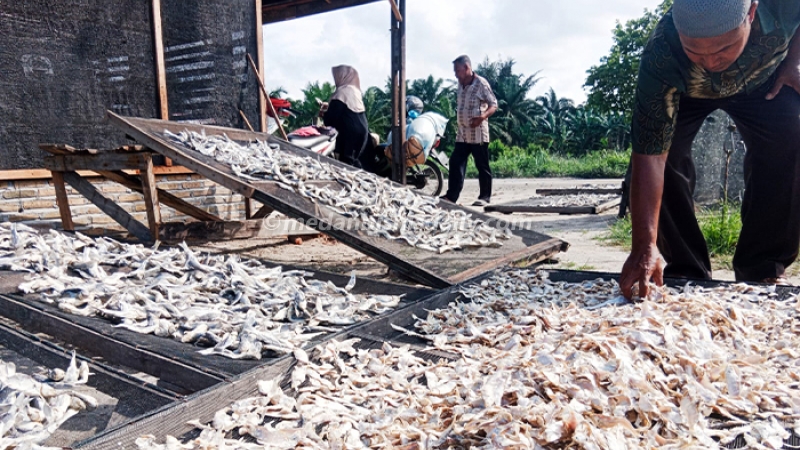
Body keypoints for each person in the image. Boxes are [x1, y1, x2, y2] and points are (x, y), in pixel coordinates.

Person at [620, 0, 800, 299]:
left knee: (791, 134)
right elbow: (650, 155)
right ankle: (684, 268)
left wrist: (794, 61)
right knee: (666, 155)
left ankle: (765, 267)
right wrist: (643, 246)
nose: (711, 62)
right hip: (688, 91)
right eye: (694, 50)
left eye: (723, 48)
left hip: (762, 80)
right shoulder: (661, 54)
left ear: (751, 14)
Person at [441, 55, 498, 207]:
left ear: (467, 68)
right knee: (455, 162)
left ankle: (484, 197)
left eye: (457, 71)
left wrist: (482, 116)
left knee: (482, 165)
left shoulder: (481, 83)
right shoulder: (460, 84)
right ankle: (451, 196)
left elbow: (494, 104)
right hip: (463, 133)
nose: (455, 74)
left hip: (478, 132)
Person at [321, 65, 369, 168]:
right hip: (362, 134)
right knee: (352, 161)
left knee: (345, 165)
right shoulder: (356, 92)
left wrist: (324, 113)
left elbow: (331, 120)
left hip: (349, 135)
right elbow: (348, 112)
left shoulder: (342, 92)